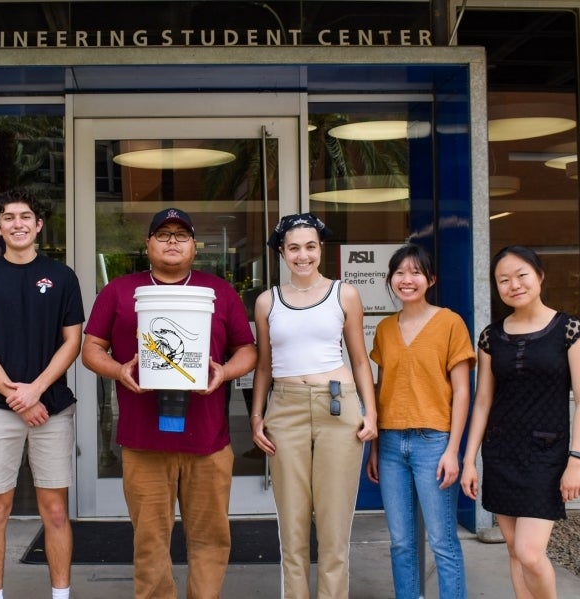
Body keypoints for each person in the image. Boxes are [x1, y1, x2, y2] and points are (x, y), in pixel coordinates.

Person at [81, 207, 257, 599]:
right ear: (148, 245)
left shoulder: (220, 291)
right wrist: (117, 370)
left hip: (208, 441)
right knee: (149, 541)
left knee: (211, 537)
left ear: (195, 245)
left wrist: (225, 373)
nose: (172, 241)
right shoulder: (120, 292)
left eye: (181, 234)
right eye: (163, 234)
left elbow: (247, 349)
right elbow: (91, 348)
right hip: (144, 442)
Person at [0, 190, 85, 599]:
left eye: (25, 216)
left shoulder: (62, 276)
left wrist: (36, 391)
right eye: (9, 218)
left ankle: (61, 594)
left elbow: (72, 342)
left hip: (51, 408)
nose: (18, 223)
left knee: (55, 510)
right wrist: (17, 396)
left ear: (38, 224)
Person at [250, 213, 378, 599]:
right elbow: (263, 364)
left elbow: (359, 358)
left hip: (338, 406)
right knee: (291, 527)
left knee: (335, 526)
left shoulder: (345, 294)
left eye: (310, 246)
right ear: (281, 253)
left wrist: (371, 413)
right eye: (293, 248)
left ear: (320, 249)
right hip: (285, 410)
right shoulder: (266, 301)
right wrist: (256, 416)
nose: (302, 255)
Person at [460, 245, 580, 599]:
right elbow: (483, 401)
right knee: (512, 549)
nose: (513, 285)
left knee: (530, 552)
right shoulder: (491, 337)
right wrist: (469, 460)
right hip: (502, 451)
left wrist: (576, 461)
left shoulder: (570, 331)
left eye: (521, 275)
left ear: (539, 276)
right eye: (503, 279)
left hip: (546, 455)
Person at [366, 243, 475, 599]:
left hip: (434, 443)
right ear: (390, 279)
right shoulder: (384, 329)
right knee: (400, 541)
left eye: (415, 272)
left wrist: (453, 450)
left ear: (430, 279)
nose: (406, 279)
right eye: (399, 272)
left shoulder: (449, 323)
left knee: (442, 540)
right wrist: (376, 449)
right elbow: (384, 389)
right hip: (392, 444)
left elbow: (462, 392)